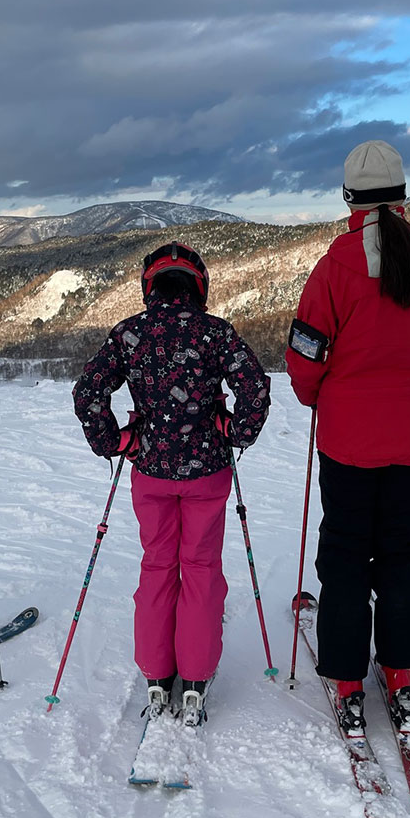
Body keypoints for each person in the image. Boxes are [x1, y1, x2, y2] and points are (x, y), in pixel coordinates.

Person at [285, 140, 410, 740]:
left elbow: (304, 354)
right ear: (401, 195)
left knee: (345, 547)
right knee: (399, 546)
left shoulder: (335, 266)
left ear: (349, 197)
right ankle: (400, 672)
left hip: (348, 435)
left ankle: (346, 679)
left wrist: (321, 392)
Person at [72, 243, 270, 726]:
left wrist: (116, 441)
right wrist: (234, 431)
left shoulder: (130, 334)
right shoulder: (215, 332)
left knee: (158, 566)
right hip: (207, 473)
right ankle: (196, 677)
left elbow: (89, 391)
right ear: (198, 286)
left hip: (151, 472)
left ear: (150, 286)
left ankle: (158, 675)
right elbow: (254, 387)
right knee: (200, 568)